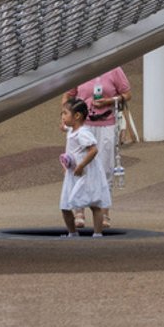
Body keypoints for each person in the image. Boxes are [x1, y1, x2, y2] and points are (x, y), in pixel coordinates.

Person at [59, 96, 111, 235]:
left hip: (86, 173)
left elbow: (93, 150)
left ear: (77, 116)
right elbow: (64, 127)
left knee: (94, 204)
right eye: (62, 114)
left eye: (65, 114)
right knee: (65, 206)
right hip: (73, 172)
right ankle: (72, 233)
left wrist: (81, 165)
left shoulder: (83, 133)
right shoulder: (71, 130)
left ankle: (98, 233)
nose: (63, 117)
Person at [76, 65, 133, 177]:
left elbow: (127, 94)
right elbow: (68, 94)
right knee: (82, 166)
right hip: (83, 125)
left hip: (107, 124)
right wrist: (65, 117)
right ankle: (85, 194)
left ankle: (105, 193)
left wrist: (110, 101)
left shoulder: (114, 68)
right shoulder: (79, 66)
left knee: (105, 167)